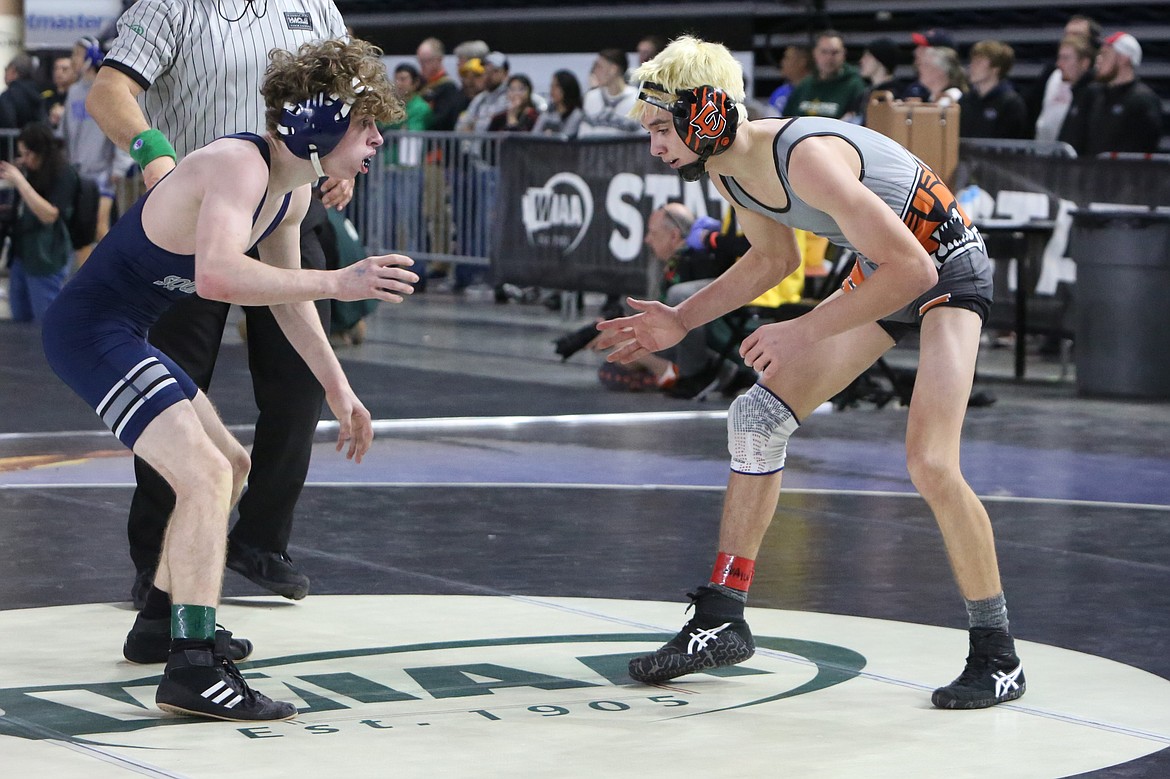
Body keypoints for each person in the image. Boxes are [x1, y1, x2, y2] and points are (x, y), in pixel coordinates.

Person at [599, 35, 1025, 710]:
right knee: (757, 416)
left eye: (658, 127)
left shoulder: (802, 155)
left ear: (704, 113)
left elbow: (915, 267)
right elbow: (773, 261)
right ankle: (722, 614)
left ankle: (997, 655)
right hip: (886, 266)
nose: (653, 145)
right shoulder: (727, 169)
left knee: (932, 463)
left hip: (945, 263)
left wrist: (803, 330)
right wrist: (681, 319)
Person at [41, 37, 413, 722]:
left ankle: (158, 618)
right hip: (92, 329)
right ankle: (191, 668)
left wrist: (338, 387)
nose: (375, 144)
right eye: (365, 128)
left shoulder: (287, 195)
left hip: (125, 329)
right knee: (206, 476)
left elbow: (289, 300)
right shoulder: (237, 166)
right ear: (318, 125)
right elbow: (215, 276)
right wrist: (342, 277)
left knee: (231, 463)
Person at [86, 0, 350, 611]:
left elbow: (345, 95)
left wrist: (342, 162)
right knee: (175, 392)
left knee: (299, 383)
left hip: (284, 209)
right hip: (195, 223)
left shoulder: (316, 7)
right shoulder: (174, 6)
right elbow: (109, 90)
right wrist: (154, 151)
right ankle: (158, 560)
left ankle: (261, 540)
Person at [0, 122, 79, 322]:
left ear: (41, 152)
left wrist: (19, 181)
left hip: (46, 256)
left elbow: (49, 214)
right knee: (19, 317)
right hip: (21, 253)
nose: (24, 160)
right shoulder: (30, 172)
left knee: (44, 319)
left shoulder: (64, 174)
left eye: (27, 154)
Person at [61, 36, 123, 266]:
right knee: (82, 229)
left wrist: (118, 166)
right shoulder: (74, 92)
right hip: (78, 171)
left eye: (76, 55)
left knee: (99, 225)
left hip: (102, 172)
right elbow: (65, 133)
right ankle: (86, 276)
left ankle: (114, 273)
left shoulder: (106, 89)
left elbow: (120, 127)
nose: (73, 61)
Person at [1071, 32, 1162, 156]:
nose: (1098, 60)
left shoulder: (1143, 100)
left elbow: (1144, 150)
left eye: (1105, 54)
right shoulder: (1094, 95)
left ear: (1124, 58)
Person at [783, 31, 867, 120]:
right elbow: (787, 119)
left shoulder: (855, 86)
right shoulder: (805, 85)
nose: (829, 58)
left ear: (844, 54)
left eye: (835, 52)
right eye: (824, 52)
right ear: (815, 53)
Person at [959, 40, 1029, 139]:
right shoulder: (964, 100)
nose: (971, 67)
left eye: (978, 62)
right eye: (972, 61)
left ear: (995, 68)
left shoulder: (1011, 104)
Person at [1035, 34, 1095, 143]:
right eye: (1059, 57)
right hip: (1045, 150)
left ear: (1085, 63)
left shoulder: (1094, 93)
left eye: (1066, 58)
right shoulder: (1054, 77)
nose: (1059, 64)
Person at [578, 48, 644, 137]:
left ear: (613, 69)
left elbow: (642, 139)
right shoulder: (590, 97)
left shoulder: (638, 100)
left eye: (599, 67)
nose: (595, 72)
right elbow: (583, 135)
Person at [852, 38, 907, 122]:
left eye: (868, 56)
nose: (862, 61)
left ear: (880, 60)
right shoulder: (864, 94)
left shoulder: (897, 94)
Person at [531, 70, 584, 138]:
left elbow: (567, 137)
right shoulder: (547, 113)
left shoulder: (576, 114)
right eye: (551, 86)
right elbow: (534, 134)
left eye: (556, 86)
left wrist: (551, 136)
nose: (552, 90)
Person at [767, 44, 811, 117]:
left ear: (802, 62)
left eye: (787, 58)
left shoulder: (816, 90)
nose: (782, 62)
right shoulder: (780, 93)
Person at [42, 55, 76, 130]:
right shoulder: (47, 96)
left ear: (74, 72)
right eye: (56, 69)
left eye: (65, 69)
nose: (59, 73)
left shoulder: (78, 95)